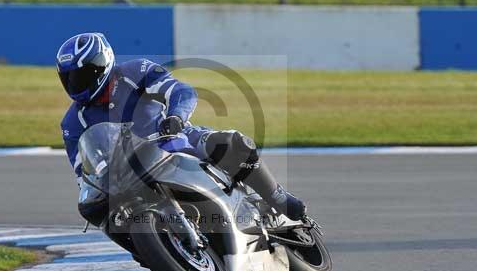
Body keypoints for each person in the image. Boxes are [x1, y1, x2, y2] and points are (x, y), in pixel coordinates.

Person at [57, 32, 306, 227]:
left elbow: (181, 91)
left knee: (233, 143)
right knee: (97, 209)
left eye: (82, 75)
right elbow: (83, 172)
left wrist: (176, 117)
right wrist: (97, 191)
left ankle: (277, 197)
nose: (75, 84)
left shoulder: (135, 71)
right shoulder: (72, 123)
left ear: (102, 64)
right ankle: (146, 250)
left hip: (173, 138)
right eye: (68, 78)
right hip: (132, 172)